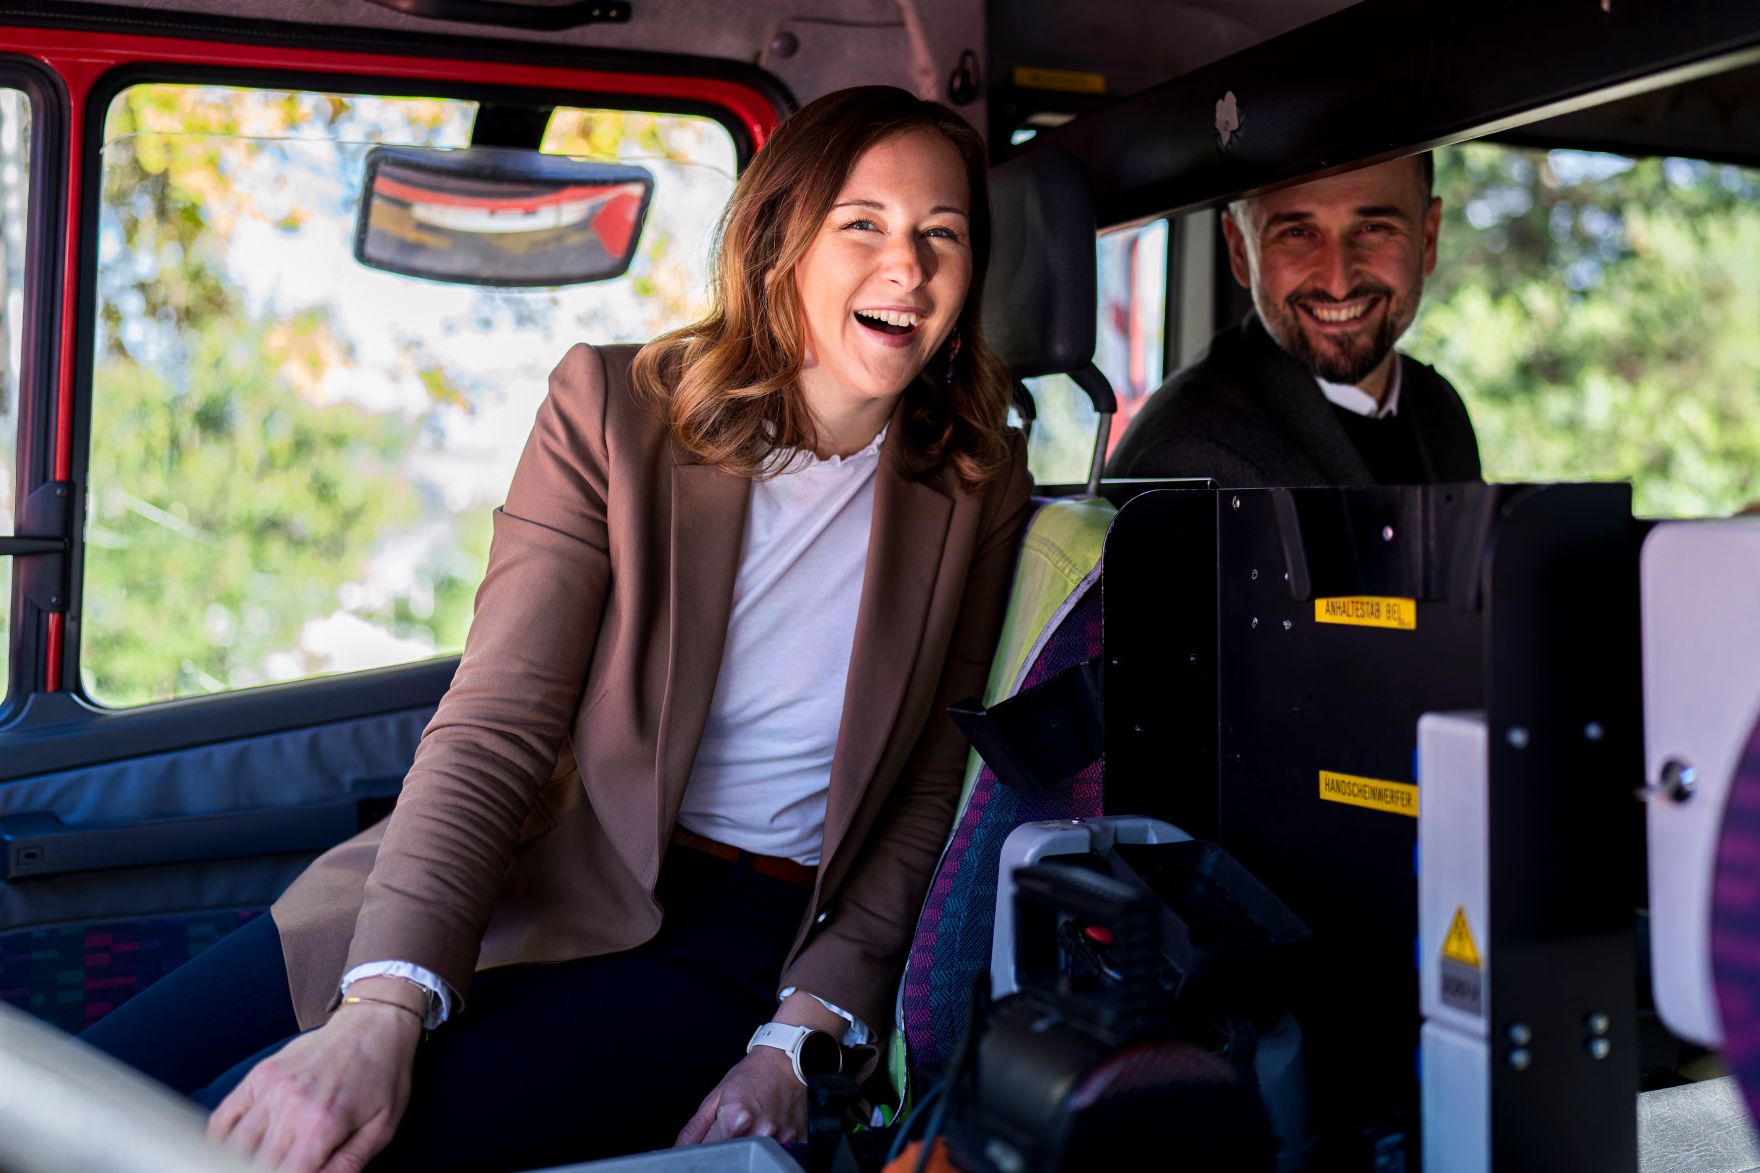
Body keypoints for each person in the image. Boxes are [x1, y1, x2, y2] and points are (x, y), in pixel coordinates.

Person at [81, 85, 1032, 1173]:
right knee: (91, 1101)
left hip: (728, 942)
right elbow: (496, 722)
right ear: (779, 243)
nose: (906, 268)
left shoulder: (977, 485)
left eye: (940, 235)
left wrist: (798, 1037)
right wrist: (382, 1005)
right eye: (861, 223)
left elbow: (924, 797)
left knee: (253, 1153)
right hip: (527, 863)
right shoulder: (612, 409)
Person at [1106, 155, 1481, 487]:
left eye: (1373, 228)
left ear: (1428, 239)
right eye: (1297, 233)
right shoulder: (1187, 456)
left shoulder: (1441, 409)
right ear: (1240, 251)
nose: (1338, 283)